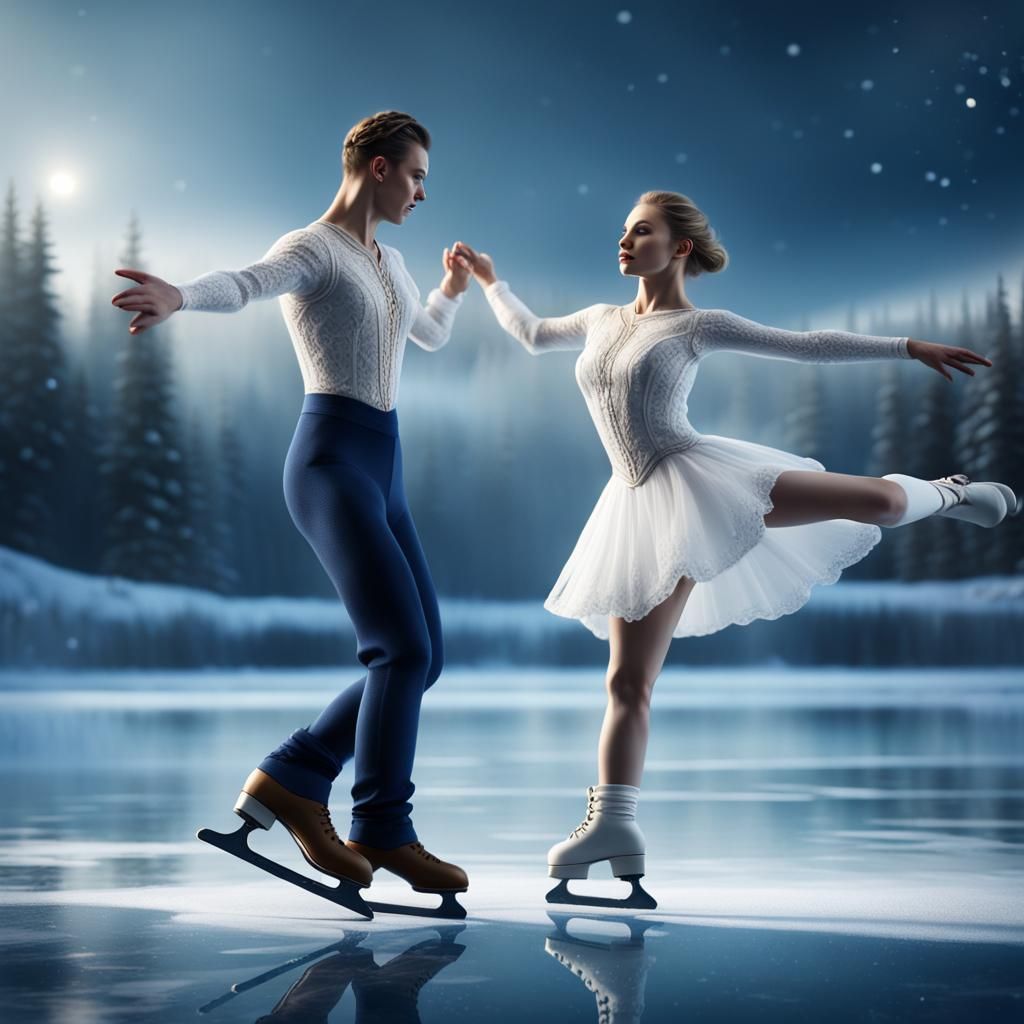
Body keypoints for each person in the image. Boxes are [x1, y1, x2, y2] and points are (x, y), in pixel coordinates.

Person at [453, 190, 1019, 899]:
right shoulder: (599, 320)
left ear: (680, 247)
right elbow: (533, 334)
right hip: (635, 507)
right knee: (628, 683)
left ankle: (952, 493)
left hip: (705, 477)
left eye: (642, 232)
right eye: (624, 231)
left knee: (873, 500)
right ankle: (613, 824)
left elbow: (807, 347)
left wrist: (907, 346)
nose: (624, 242)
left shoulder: (699, 325)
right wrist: (489, 281)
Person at [112, 111, 473, 911]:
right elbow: (246, 283)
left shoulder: (394, 262)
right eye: (415, 175)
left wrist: (450, 288)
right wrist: (180, 294)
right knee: (400, 651)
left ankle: (294, 776)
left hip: (386, 466)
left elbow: (428, 336)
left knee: (424, 658)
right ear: (377, 168)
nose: (421, 192)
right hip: (331, 461)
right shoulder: (313, 247)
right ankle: (381, 825)